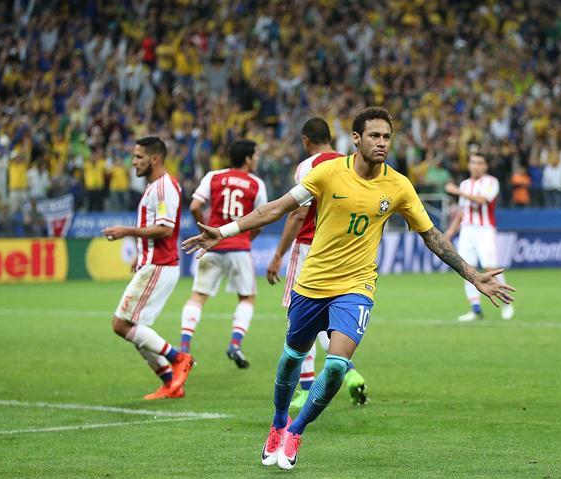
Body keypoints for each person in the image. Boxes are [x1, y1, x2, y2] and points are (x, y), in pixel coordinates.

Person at [182, 107, 515, 471]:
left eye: (387, 137)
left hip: (356, 287)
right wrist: (225, 231)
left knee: (337, 366)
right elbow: (276, 208)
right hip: (311, 284)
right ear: (356, 138)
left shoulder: (399, 185)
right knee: (292, 359)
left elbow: (432, 235)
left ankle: (296, 430)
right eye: (374, 136)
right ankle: (277, 422)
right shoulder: (327, 172)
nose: (382, 143)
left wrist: (473, 275)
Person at [266, 117, 367, 411]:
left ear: (305, 140)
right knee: (328, 318)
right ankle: (348, 372)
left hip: (310, 246)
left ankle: (306, 387)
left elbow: (297, 214)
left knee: (301, 317)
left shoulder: (309, 165)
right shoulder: (351, 162)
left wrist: (278, 254)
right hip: (344, 250)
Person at [101, 136, 192, 400]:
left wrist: (126, 231)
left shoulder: (164, 188)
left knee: (121, 324)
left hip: (159, 265)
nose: (133, 162)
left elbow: (165, 229)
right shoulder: (155, 187)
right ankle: (171, 383)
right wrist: (139, 253)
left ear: (155, 159)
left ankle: (179, 358)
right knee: (137, 329)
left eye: (138, 157)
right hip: (153, 262)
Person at [180, 140, 267, 369]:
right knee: (246, 298)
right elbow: (262, 218)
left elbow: (194, 206)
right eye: (255, 156)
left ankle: (184, 349)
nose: (257, 160)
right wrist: (247, 238)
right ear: (247, 159)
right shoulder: (256, 184)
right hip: (238, 247)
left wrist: (205, 234)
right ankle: (235, 344)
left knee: (198, 296)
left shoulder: (213, 176)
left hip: (212, 246)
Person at [443, 152, 515, 321]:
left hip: (484, 230)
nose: (475, 165)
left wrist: (457, 192)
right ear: (468, 165)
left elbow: (482, 200)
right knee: (467, 269)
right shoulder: (465, 184)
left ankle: (506, 303)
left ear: (485, 166)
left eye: (479, 162)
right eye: (473, 162)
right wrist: (450, 232)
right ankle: (475, 308)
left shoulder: (491, 182)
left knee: (491, 269)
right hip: (467, 231)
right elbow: (462, 212)